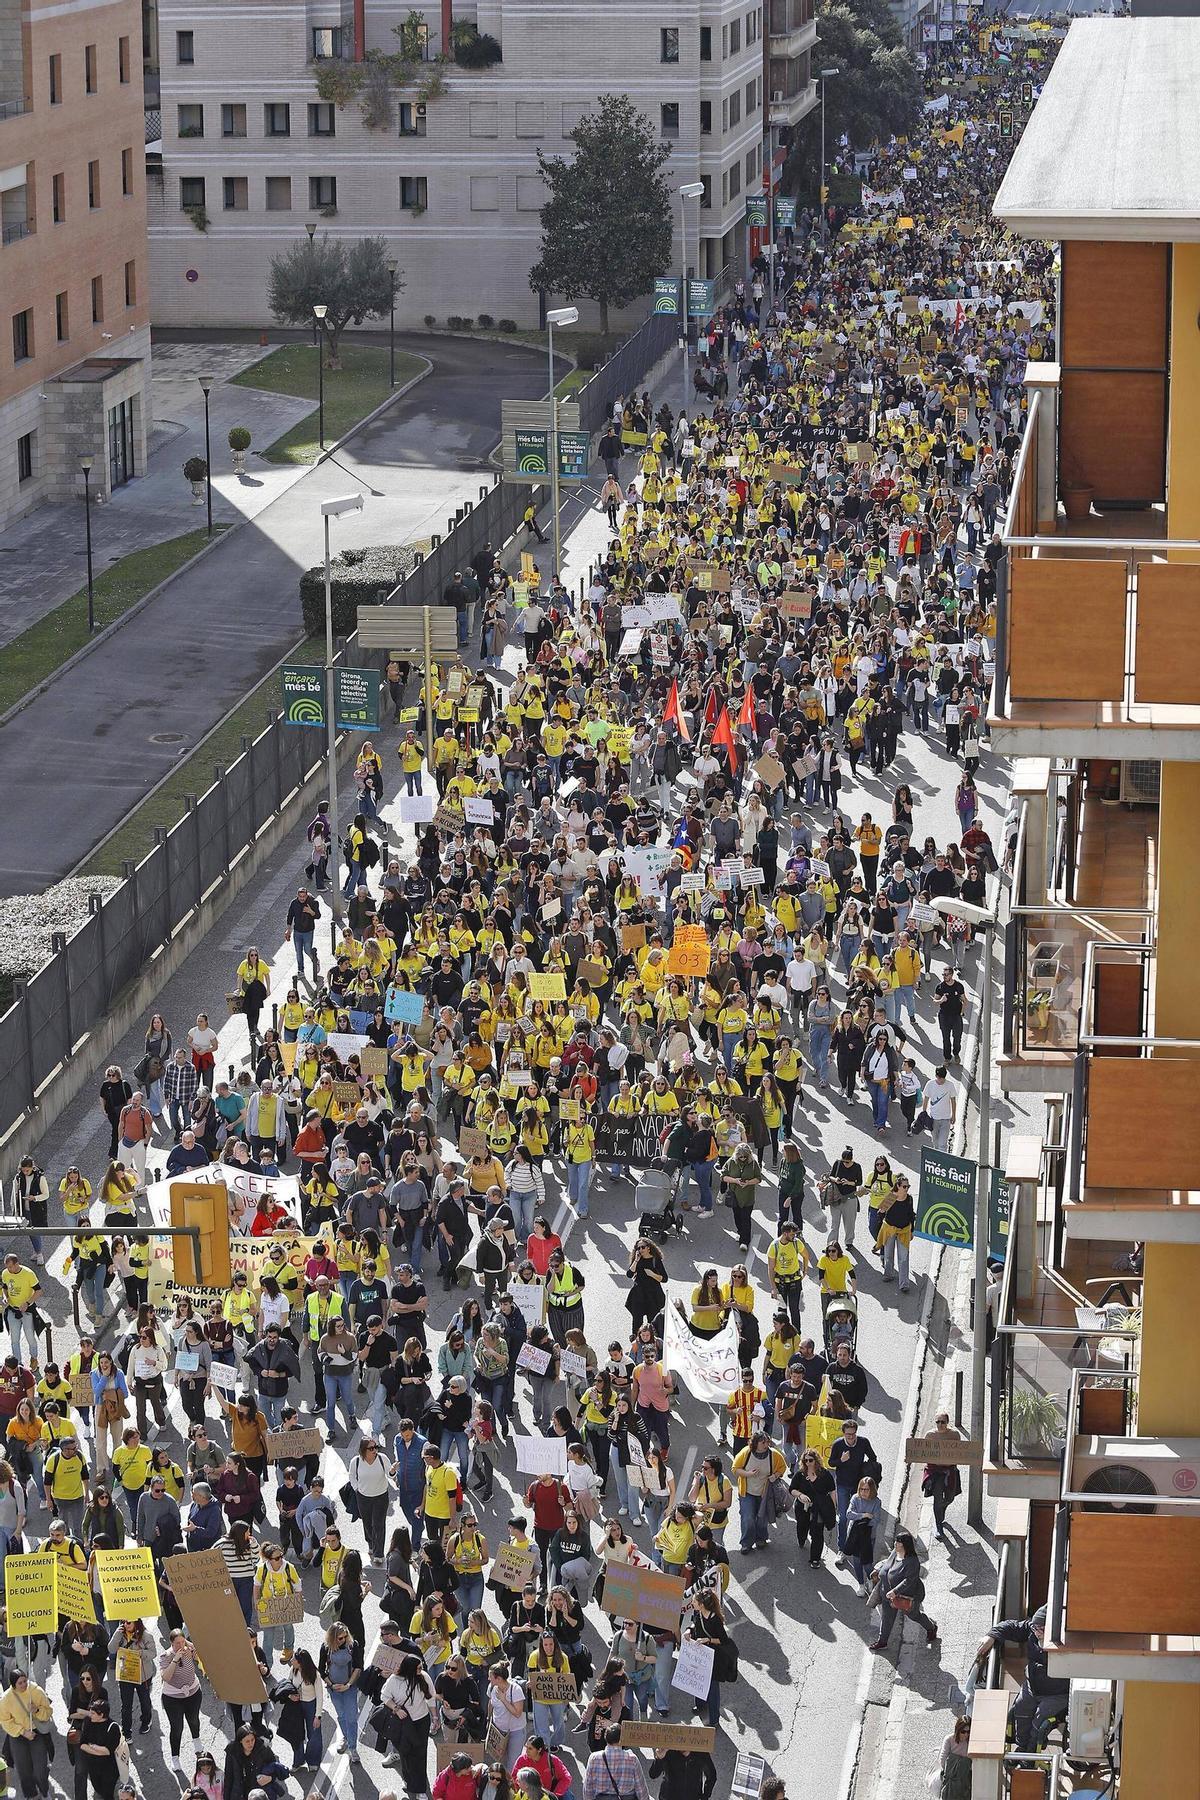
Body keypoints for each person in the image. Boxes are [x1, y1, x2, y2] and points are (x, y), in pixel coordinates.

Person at [976, 1606, 1070, 1750]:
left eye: (1042, 1629)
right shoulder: (1032, 1630)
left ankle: (1030, 1755)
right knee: (1020, 1710)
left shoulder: (1066, 1643)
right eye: (1035, 1628)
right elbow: (1010, 1626)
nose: (1037, 1632)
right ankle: (1021, 1745)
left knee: (1039, 1723)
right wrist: (992, 1635)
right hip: (1032, 1686)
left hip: (1057, 1694)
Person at [869, 1530, 938, 1652]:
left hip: (908, 1596)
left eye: (898, 1542)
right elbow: (887, 1565)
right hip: (888, 1594)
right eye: (896, 1541)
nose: (895, 1544)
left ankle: (931, 1627)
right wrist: (878, 1570)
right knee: (887, 1618)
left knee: (914, 1615)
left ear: (905, 1545)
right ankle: (882, 1641)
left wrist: (895, 1591)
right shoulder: (895, 1553)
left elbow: (909, 1581)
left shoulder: (912, 1562)